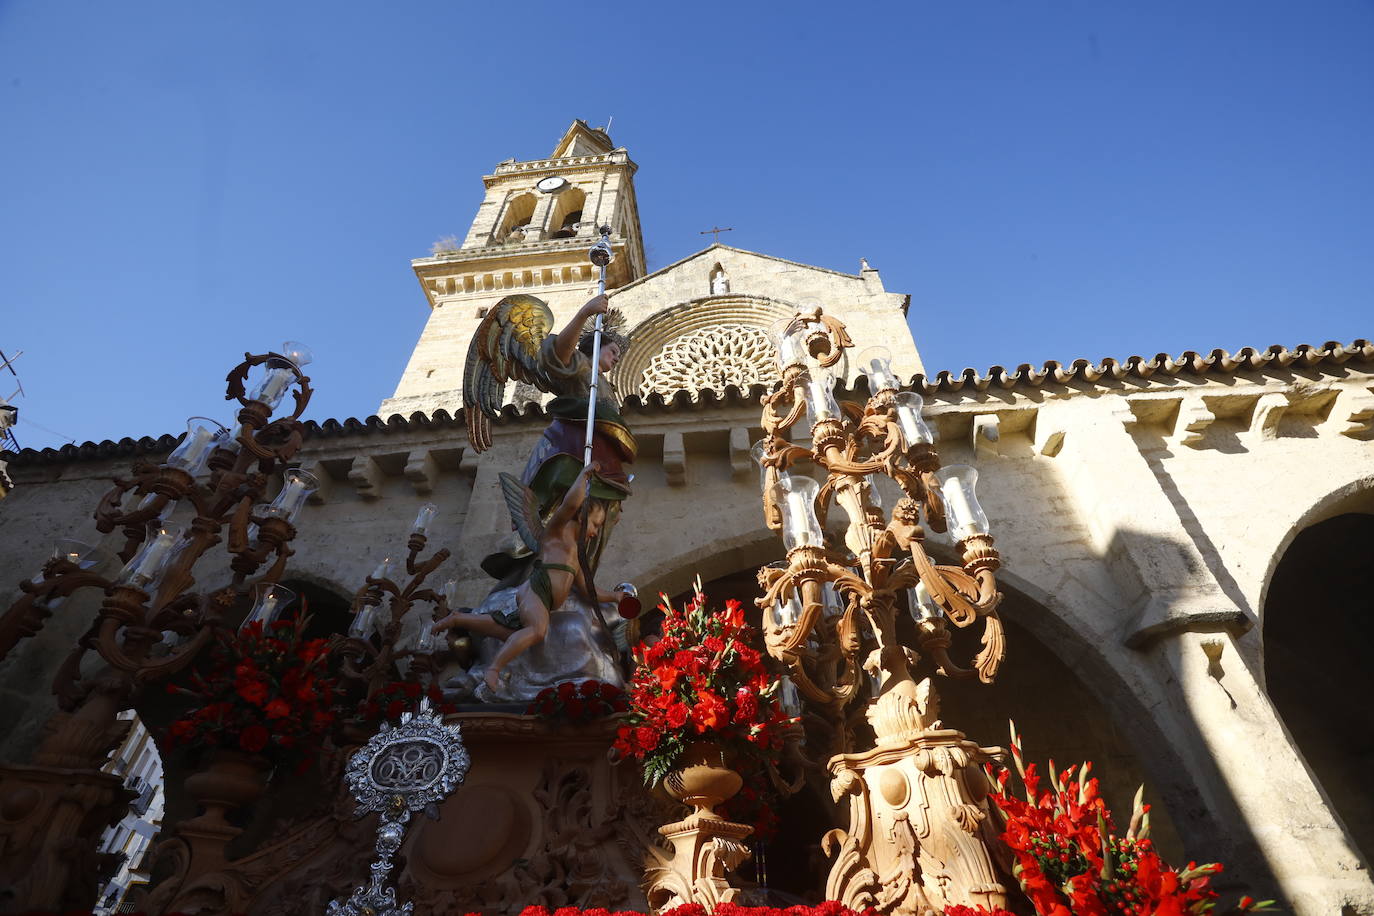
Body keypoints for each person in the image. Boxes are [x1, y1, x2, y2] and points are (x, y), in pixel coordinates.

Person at [433, 462, 626, 692]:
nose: (595, 533)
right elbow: (570, 504)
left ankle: (459, 619)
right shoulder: (556, 533)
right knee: (537, 631)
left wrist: (615, 596)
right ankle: (493, 669)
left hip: (544, 599)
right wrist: (584, 477)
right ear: (582, 516)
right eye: (595, 524)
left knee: (507, 631)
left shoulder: (576, 555)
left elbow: (587, 590)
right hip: (537, 590)